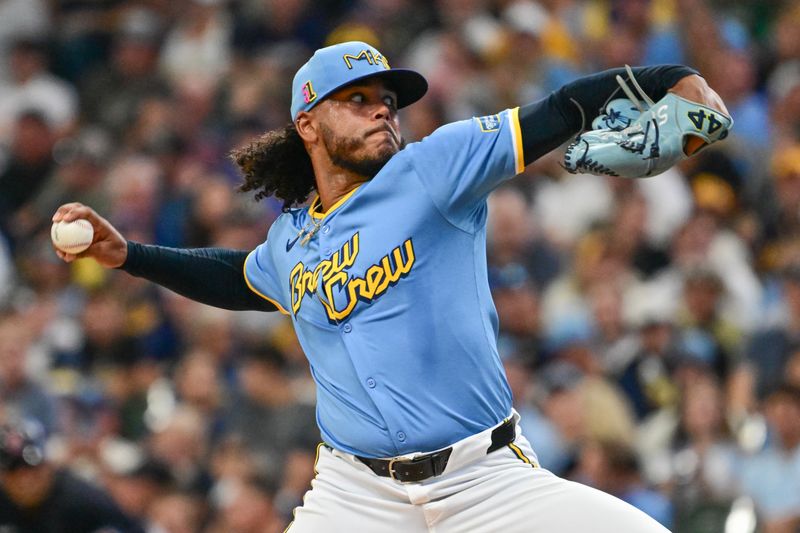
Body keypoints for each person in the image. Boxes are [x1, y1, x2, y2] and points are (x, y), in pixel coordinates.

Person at [52, 41, 729, 532]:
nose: (383, 111)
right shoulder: (291, 239)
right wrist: (131, 254)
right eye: (358, 100)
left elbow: (559, 108)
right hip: (355, 496)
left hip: (484, 482)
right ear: (307, 123)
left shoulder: (435, 169)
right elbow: (241, 277)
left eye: (387, 100)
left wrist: (674, 77)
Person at [0, 419, 144, 533]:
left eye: (32, 468)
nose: (24, 480)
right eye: (13, 471)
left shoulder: (83, 501)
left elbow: (131, 527)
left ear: (49, 465)